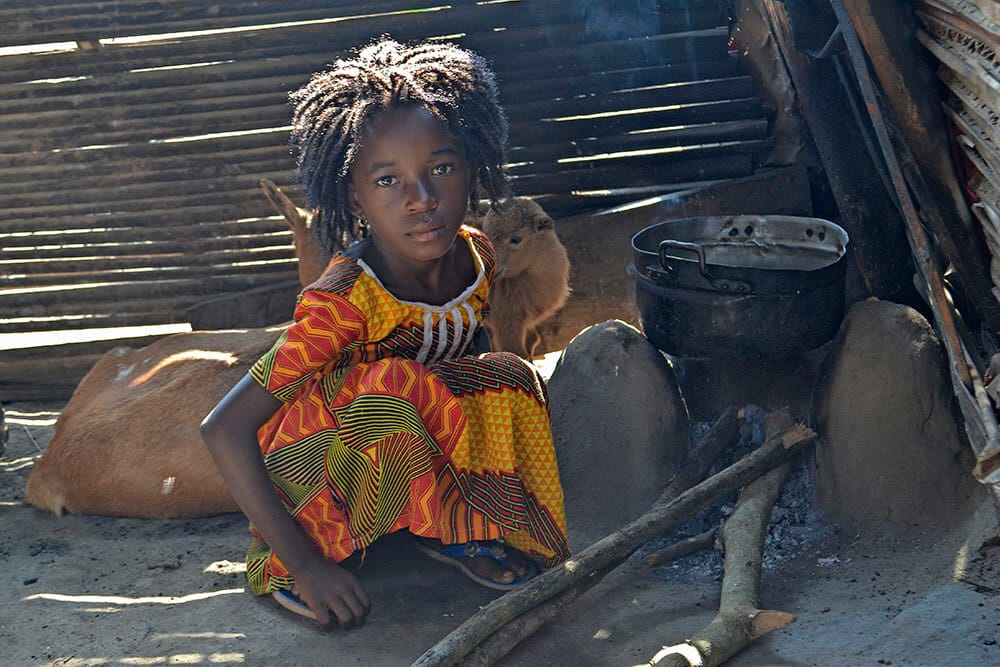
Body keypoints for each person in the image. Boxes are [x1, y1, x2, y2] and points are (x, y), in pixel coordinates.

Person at [200, 37, 571, 629]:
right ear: (354, 195)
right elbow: (223, 428)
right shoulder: (343, 300)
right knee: (399, 385)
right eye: (388, 180)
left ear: (474, 168)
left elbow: (463, 371)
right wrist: (305, 564)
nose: (421, 200)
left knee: (506, 375)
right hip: (313, 471)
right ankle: (310, 558)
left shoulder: (477, 258)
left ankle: (451, 525)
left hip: (390, 444)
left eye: (441, 169)